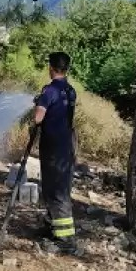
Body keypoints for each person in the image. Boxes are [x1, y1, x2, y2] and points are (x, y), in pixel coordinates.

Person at [32, 51, 81, 256]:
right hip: (67, 144)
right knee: (59, 186)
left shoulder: (50, 91)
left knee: (56, 190)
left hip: (53, 146)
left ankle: (66, 240)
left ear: (51, 68)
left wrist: (38, 103)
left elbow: (37, 118)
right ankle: (53, 226)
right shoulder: (70, 90)